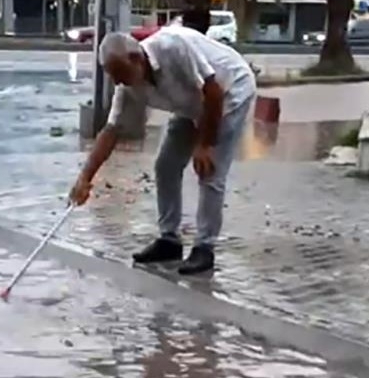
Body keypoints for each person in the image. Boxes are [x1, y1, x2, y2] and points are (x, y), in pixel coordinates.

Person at [68, 25, 257, 275]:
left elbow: (213, 92)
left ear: (136, 58)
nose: (118, 82)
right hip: (191, 106)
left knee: (209, 170)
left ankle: (204, 248)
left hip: (230, 92)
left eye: (120, 74)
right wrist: (85, 179)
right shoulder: (127, 85)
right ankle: (169, 240)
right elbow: (111, 131)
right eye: (113, 76)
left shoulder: (174, 47)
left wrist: (205, 144)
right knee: (166, 166)